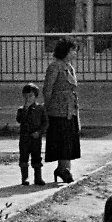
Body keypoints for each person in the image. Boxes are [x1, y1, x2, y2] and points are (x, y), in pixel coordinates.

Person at [42, 37, 81, 184]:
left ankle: (65, 169)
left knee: (70, 139)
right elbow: (48, 89)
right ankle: (62, 169)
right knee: (62, 139)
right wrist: (49, 108)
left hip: (70, 109)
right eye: (72, 50)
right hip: (58, 110)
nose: (74, 53)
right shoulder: (55, 66)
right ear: (65, 50)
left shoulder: (69, 67)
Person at [16, 82, 48, 186]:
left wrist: (39, 132)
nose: (28, 98)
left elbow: (45, 123)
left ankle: (38, 178)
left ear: (35, 96)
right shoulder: (21, 109)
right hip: (25, 137)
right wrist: (25, 108)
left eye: (30, 96)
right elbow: (20, 120)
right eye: (26, 96)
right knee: (24, 157)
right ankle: (24, 178)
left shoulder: (40, 109)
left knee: (37, 156)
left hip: (36, 137)